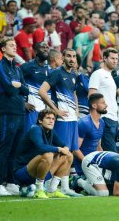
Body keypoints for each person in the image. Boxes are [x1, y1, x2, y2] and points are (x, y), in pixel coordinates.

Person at [39, 48, 82, 197]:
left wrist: (76, 110)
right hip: (62, 121)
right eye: (68, 56)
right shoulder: (57, 73)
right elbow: (42, 91)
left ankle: (63, 187)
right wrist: (55, 111)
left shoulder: (74, 74)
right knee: (61, 153)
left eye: (74, 56)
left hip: (72, 119)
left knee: (69, 154)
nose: (71, 59)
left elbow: (74, 93)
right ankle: (46, 184)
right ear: (63, 57)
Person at [0, 37, 29, 196]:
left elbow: (25, 89)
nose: (15, 47)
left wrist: (19, 85)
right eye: (11, 45)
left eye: (16, 45)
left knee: (15, 149)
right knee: (4, 148)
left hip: (19, 111)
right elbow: (9, 89)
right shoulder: (0, 66)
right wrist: (17, 87)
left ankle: (11, 182)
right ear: (2, 49)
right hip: (7, 112)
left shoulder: (18, 69)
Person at [13, 109, 73, 198]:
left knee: (69, 156)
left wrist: (66, 149)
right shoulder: (35, 129)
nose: (51, 121)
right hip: (22, 172)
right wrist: (59, 149)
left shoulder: (50, 131)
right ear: (40, 121)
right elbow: (40, 147)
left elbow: (63, 144)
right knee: (48, 154)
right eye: (48, 118)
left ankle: (52, 190)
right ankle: (39, 190)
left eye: (53, 119)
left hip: (39, 172)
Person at [88, 48, 119, 152]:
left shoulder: (110, 76)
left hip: (113, 118)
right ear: (104, 58)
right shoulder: (98, 74)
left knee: (110, 153)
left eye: (116, 59)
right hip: (104, 118)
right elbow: (91, 96)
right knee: (111, 153)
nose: (115, 61)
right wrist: (96, 118)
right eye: (112, 58)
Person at [20, 42, 50, 135]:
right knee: (29, 138)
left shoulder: (49, 69)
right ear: (35, 51)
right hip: (31, 110)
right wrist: (22, 102)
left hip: (45, 112)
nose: (46, 49)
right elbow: (14, 84)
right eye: (43, 47)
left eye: (47, 47)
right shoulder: (27, 66)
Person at [72, 93, 106, 177]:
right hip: (83, 165)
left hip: (94, 162)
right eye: (103, 103)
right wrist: (87, 164)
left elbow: (99, 147)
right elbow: (75, 150)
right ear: (94, 105)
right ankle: (76, 180)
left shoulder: (102, 122)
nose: (106, 105)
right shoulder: (84, 123)